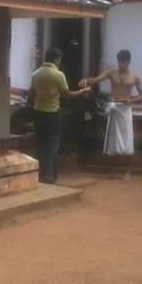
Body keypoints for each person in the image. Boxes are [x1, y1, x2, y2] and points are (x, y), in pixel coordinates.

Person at [79, 50, 142, 177]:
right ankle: (112, 170)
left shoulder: (135, 77)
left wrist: (130, 99)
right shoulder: (112, 73)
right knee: (112, 140)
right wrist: (86, 81)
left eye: (123, 62)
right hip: (113, 107)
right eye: (119, 61)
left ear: (128, 62)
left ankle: (128, 171)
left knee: (127, 140)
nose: (120, 64)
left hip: (125, 109)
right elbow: (96, 80)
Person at [30, 47, 92, 183]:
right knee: (53, 145)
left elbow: (31, 93)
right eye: (59, 60)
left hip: (38, 114)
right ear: (57, 59)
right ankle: (50, 175)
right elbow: (67, 94)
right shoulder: (58, 75)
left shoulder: (35, 74)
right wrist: (83, 91)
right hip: (53, 114)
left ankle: (40, 174)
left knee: (40, 145)